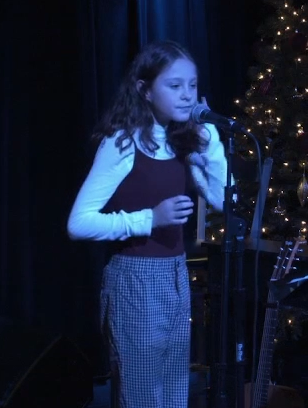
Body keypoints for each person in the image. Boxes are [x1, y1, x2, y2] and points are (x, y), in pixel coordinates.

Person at [67, 40, 227, 408]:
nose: (187, 95)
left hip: (176, 275)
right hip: (135, 280)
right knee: (141, 397)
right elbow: (79, 223)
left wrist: (211, 141)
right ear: (145, 90)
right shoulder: (123, 143)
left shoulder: (181, 141)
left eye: (192, 85)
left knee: (173, 394)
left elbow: (221, 200)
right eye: (175, 85)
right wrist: (149, 219)